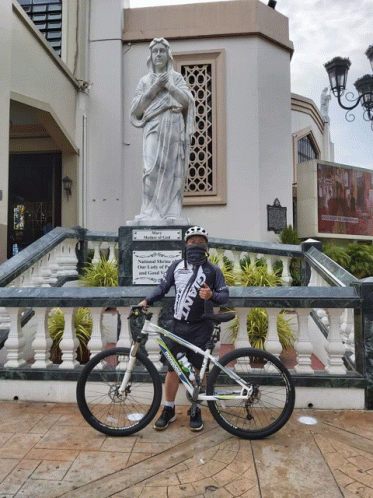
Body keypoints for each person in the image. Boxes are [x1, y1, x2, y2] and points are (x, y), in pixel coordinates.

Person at [138, 226, 229, 431]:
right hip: (178, 327)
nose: (196, 245)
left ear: (206, 246)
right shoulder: (176, 266)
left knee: (198, 369)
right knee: (173, 369)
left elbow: (225, 295)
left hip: (202, 326)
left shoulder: (213, 270)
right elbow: (162, 288)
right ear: (186, 245)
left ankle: (195, 409)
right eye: (192, 241)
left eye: (200, 242)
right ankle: (168, 409)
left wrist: (211, 295)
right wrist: (146, 301)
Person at [130, 38, 195, 222]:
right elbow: (136, 110)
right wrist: (155, 88)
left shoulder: (176, 78)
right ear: (150, 56)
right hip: (153, 127)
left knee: (173, 169)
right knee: (150, 170)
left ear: (168, 55)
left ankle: (172, 210)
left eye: (162, 51)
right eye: (155, 51)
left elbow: (187, 102)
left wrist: (170, 87)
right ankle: (149, 211)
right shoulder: (144, 81)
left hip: (173, 126)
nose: (158, 54)